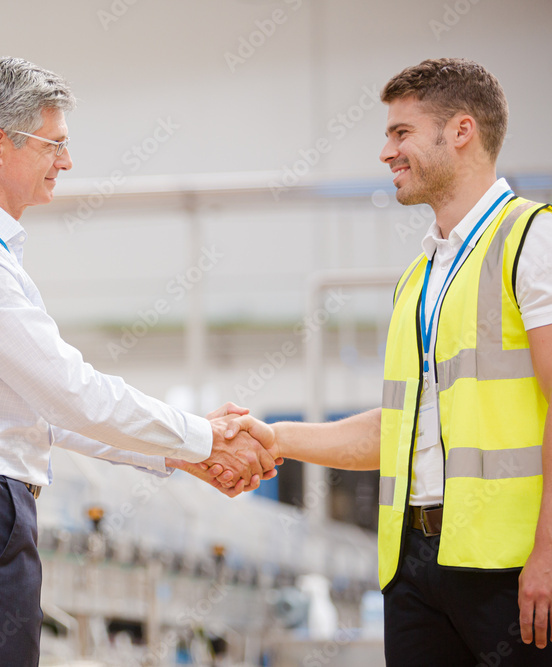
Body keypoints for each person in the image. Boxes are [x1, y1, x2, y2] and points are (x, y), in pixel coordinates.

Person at [0, 57, 277, 667]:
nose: (66, 162)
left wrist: (177, 454)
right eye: (54, 145)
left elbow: (44, 411)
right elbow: (71, 393)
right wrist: (203, 436)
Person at [219, 58, 552, 665]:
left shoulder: (531, 242)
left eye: (400, 133)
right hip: (415, 568)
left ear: (460, 131)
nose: (385, 152)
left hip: (509, 566)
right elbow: (398, 430)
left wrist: (549, 553)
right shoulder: (419, 277)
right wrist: (276, 436)